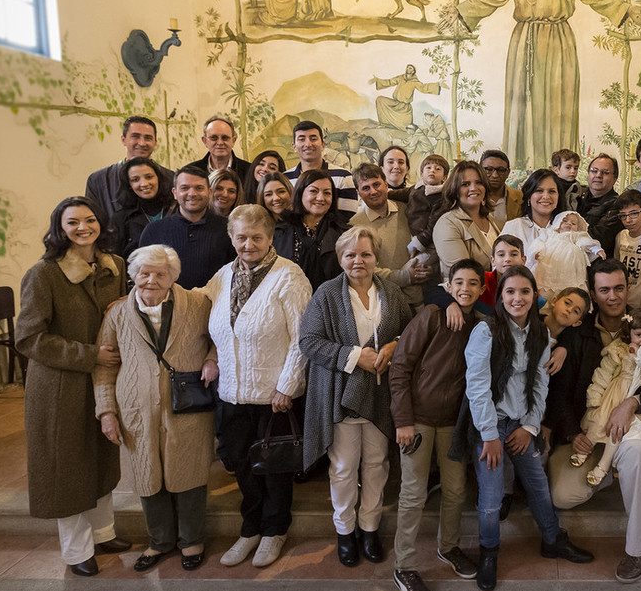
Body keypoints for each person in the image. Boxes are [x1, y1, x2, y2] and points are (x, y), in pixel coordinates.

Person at [452, 0, 641, 169]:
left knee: (559, 104)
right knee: (524, 101)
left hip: (559, 42)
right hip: (525, 41)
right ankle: (524, 165)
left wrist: (625, 9)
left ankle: (561, 165)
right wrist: (461, 11)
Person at [545, 258, 641, 583]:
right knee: (562, 495)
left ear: (627, 288)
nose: (613, 296)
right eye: (604, 290)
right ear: (593, 293)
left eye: (619, 288)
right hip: (590, 429)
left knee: (638, 457)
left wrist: (636, 402)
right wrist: (573, 432)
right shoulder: (577, 331)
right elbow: (559, 394)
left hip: (635, 425)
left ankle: (638, 548)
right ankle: (607, 471)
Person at [457, 266, 594, 591]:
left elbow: (539, 384)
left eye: (524, 292)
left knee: (538, 485)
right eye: (510, 292)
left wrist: (530, 426)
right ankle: (489, 552)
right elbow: (477, 387)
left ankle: (552, 539)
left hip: (520, 423)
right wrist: (489, 435)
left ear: (535, 296)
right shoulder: (486, 331)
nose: (517, 298)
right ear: (501, 296)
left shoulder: (540, 334)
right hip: (489, 425)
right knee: (491, 498)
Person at [16, 196, 130, 576]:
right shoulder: (44, 273)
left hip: (101, 379)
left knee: (100, 458)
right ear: (59, 228)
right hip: (59, 386)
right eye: (73, 222)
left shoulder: (115, 266)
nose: (83, 228)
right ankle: (77, 550)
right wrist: (90, 355)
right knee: (68, 467)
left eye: (90, 220)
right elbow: (29, 338)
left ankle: (103, 533)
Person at [203, 204, 313, 569]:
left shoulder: (289, 276)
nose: (248, 244)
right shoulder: (222, 276)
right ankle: (250, 528)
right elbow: (201, 311)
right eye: (241, 237)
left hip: (273, 395)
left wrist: (287, 386)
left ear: (269, 237)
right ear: (231, 238)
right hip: (231, 392)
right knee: (240, 465)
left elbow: (302, 338)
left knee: (274, 468)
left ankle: (274, 530)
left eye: (256, 237)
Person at [93, 245, 217, 572]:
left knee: (189, 472)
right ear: (133, 275)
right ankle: (159, 541)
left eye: (160, 274)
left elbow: (221, 338)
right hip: (136, 408)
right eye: (144, 273)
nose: (151, 280)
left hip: (189, 404)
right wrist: (106, 412)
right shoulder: (117, 313)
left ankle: (191, 539)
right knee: (146, 473)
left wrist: (211, 359)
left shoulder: (197, 304)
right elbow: (104, 366)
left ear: (173, 276)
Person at [299, 226, 414, 567]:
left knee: (377, 465)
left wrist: (394, 345)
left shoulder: (391, 292)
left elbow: (410, 332)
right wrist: (354, 356)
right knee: (344, 467)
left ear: (376, 258)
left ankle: (369, 528)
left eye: (365, 254)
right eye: (350, 254)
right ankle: (345, 531)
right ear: (340, 259)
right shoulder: (327, 294)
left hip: (381, 397)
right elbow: (309, 342)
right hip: (341, 395)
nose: (358, 261)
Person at [387, 259, 485, 591]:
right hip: (418, 419)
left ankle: (449, 547)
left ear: (481, 288)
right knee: (413, 493)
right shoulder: (431, 315)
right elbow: (400, 367)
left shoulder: (481, 325)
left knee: (456, 490)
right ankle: (404, 566)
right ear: (448, 284)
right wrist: (403, 419)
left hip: (453, 423)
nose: (465, 289)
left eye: (473, 283)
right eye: (459, 282)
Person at [570, 309, 641, 487]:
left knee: (618, 431)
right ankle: (584, 450)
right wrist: (594, 401)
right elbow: (602, 375)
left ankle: (603, 465)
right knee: (599, 421)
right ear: (628, 332)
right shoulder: (619, 349)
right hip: (614, 394)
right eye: (638, 335)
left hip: (637, 397)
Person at [350, 162, 431, 308]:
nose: (373, 191)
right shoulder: (354, 226)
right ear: (358, 193)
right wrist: (406, 276)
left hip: (422, 300)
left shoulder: (409, 210)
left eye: (376, 184)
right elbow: (364, 270)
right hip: (384, 305)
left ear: (386, 184)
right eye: (366, 188)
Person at [139, 166, 235, 290]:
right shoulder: (154, 231)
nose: (192, 194)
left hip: (216, 300)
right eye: (184, 188)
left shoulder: (229, 228)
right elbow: (142, 276)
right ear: (175, 193)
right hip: (168, 301)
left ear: (209, 192)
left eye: (199, 188)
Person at [275, 169, 349, 289]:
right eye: (314, 191)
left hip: (331, 297)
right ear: (300, 193)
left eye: (327, 193)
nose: (320, 198)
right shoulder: (279, 232)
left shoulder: (344, 233)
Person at [85, 116, 173, 217]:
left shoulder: (171, 178)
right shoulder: (98, 180)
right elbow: (91, 219)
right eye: (135, 136)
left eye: (148, 138)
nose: (142, 143)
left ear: (155, 143)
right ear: (123, 140)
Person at [432, 160, 501, 277]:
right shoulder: (447, 224)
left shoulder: (491, 219)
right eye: (465, 184)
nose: (473, 188)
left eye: (479, 182)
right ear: (455, 190)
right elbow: (464, 274)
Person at [284, 120, 359, 215]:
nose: (308, 144)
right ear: (294, 146)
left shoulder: (343, 176)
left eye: (313, 139)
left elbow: (347, 217)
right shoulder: (285, 179)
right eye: (302, 139)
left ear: (323, 145)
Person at [527, 210, 605, 301]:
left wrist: (596, 249)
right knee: (545, 286)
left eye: (573, 223)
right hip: (549, 265)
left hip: (569, 268)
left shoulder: (575, 236)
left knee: (569, 290)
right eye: (565, 220)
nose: (569, 224)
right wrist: (535, 252)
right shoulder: (549, 233)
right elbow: (538, 242)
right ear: (557, 222)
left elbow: (585, 242)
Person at [502, 168, 567, 267]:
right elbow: (499, 266)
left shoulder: (569, 227)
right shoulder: (513, 227)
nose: (546, 196)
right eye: (539, 191)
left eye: (552, 191)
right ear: (529, 196)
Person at [111, 156, 171, 263]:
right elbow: (117, 260)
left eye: (149, 177)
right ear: (129, 185)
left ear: (158, 178)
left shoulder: (178, 209)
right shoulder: (120, 218)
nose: (144, 184)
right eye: (135, 180)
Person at [399, 154, 450, 259]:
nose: (432, 171)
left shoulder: (441, 197)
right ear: (421, 174)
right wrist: (387, 193)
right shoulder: (416, 189)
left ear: (444, 177)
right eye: (428, 168)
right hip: (414, 236)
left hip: (429, 242)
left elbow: (434, 225)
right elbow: (402, 194)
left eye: (437, 169)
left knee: (415, 266)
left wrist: (420, 241)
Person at [573, 153, 623, 255]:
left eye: (605, 172)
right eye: (594, 171)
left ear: (615, 179)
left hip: (596, 260)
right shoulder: (576, 195)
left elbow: (597, 239)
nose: (598, 175)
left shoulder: (618, 205)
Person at [371, 65, 444, 130]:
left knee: (407, 128)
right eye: (407, 67)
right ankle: (385, 123)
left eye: (410, 68)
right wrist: (378, 80)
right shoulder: (401, 78)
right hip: (395, 103)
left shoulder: (415, 82)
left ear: (413, 71)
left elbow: (424, 88)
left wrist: (437, 85)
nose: (408, 69)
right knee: (380, 99)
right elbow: (390, 82)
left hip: (404, 108)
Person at [183, 116, 252, 177]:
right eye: (214, 138)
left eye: (225, 138)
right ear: (205, 141)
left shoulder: (250, 171)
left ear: (233, 141)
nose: (220, 143)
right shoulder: (190, 173)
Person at [478, 149, 521, 226]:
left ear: (508, 173)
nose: (495, 175)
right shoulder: (472, 197)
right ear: (480, 170)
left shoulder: (521, 197)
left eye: (501, 170)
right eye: (489, 170)